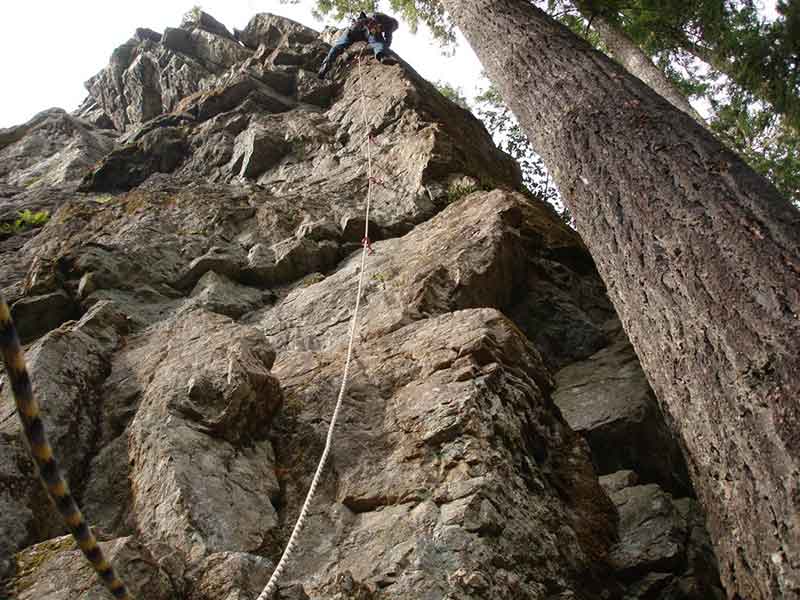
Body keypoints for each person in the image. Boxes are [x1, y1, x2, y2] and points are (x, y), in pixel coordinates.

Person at [318, 11, 400, 79]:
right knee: (378, 42)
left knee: (339, 45)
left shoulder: (377, 14)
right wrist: (386, 47)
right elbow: (388, 37)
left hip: (355, 27)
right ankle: (382, 56)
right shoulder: (391, 22)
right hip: (370, 29)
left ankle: (324, 66)